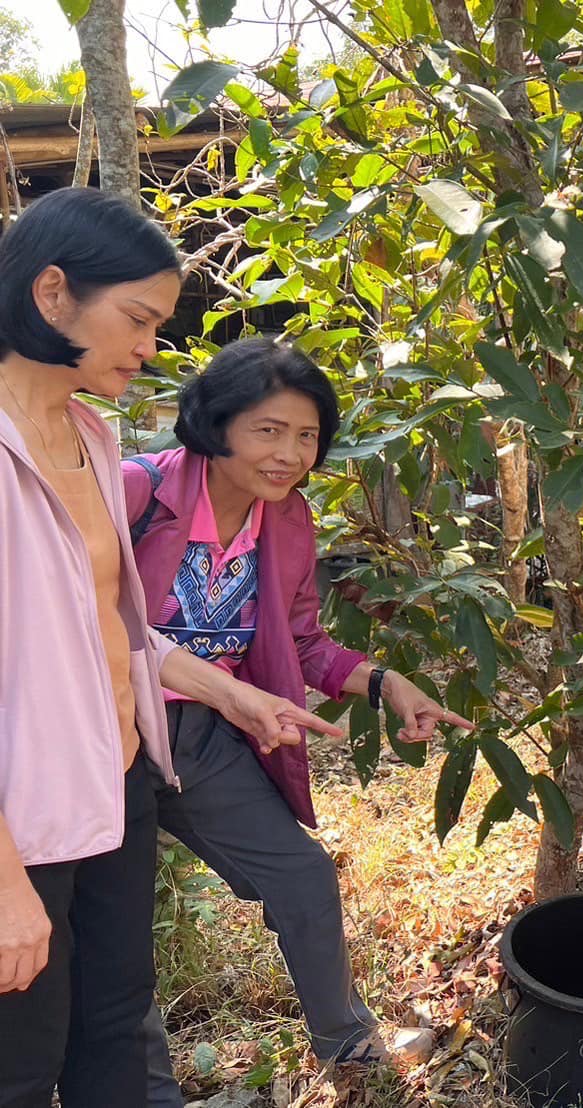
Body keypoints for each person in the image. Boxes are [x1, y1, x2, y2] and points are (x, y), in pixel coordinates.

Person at [0, 188, 342, 1108]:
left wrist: (232, 696)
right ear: (53, 292)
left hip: (115, 781)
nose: (151, 347)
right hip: (22, 820)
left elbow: (111, 632)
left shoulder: (87, 434)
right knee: (22, 1062)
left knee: (116, 1023)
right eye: (139, 319)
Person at [124, 337, 475, 1101]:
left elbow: (304, 640)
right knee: (117, 937)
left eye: (307, 436)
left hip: (201, 741)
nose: (289, 455)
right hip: (108, 736)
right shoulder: (135, 493)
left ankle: (350, 1050)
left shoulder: (283, 520)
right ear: (215, 426)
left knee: (303, 875)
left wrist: (385, 683)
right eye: (268, 431)